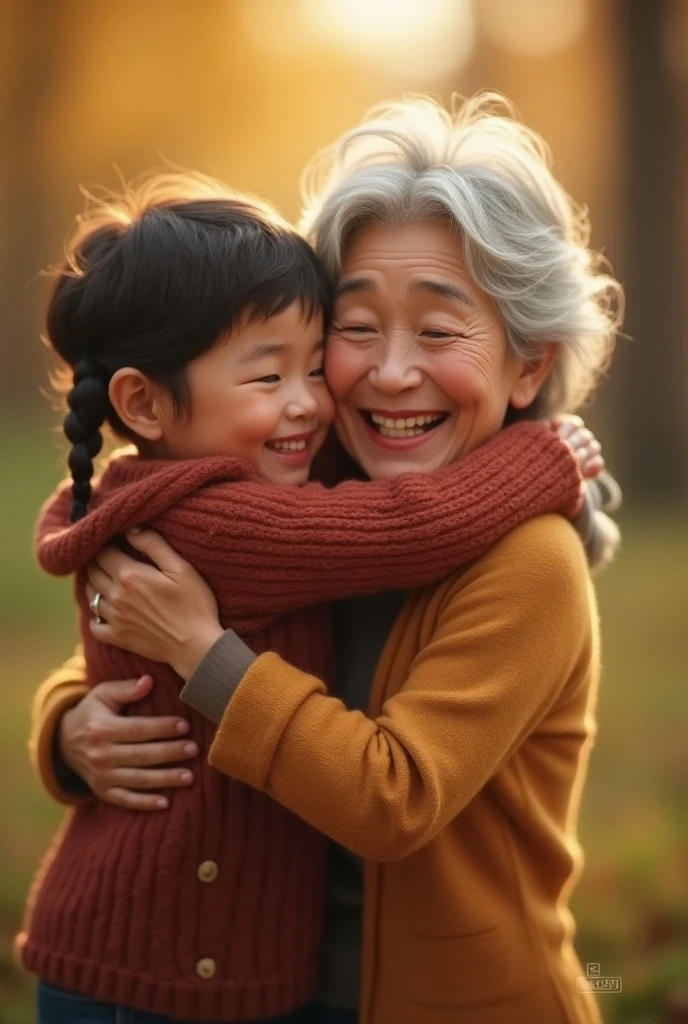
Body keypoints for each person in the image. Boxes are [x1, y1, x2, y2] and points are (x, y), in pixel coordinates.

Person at [58, 94, 623, 1024]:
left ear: (528, 365)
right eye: (354, 332)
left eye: (440, 332)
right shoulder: (301, 493)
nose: (390, 372)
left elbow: (393, 798)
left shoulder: (530, 564)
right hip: (272, 995)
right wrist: (75, 731)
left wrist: (207, 659)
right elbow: (124, 589)